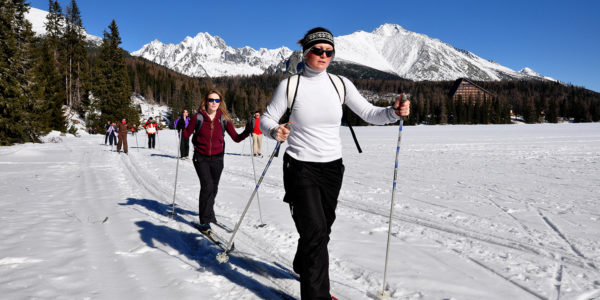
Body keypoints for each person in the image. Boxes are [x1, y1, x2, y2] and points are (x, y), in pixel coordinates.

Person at [260, 27, 411, 300]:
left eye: (329, 52)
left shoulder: (340, 84)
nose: (324, 55)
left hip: (332, 168)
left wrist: (393, 111)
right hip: (300, 167)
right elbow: (267, 118)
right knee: (315, 231)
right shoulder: (290, 85)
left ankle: (302, 264)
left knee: (322, 228)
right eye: (318, 50)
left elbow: (369, 113)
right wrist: (275, 130)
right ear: (306, 52)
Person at [182, 90, 254, 233]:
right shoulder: (198, 117)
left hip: (218, 158)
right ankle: (204, 220)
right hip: (200, 157)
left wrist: (247, 131)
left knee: (214, 188)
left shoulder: (223, 119)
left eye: (217, 100)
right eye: (211, 100)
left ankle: (209, 213)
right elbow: (186, 134)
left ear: (220, 103)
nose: (214, 103)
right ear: (205, 101)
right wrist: (181, 126)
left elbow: (236, 138)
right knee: (207, 186)